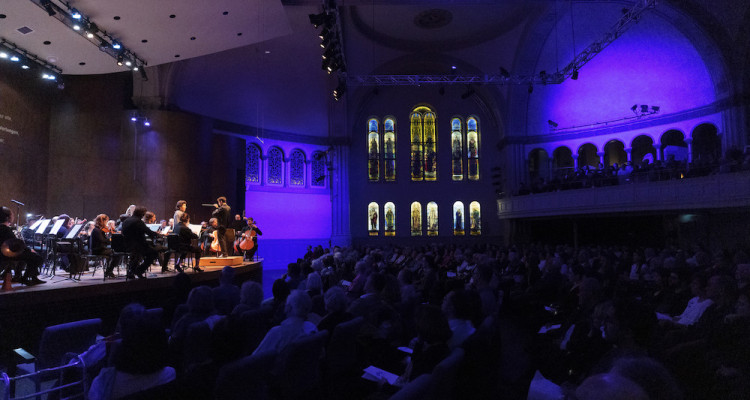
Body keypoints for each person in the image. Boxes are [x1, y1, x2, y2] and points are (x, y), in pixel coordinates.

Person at [0, 206, 44, 285]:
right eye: (12, 215)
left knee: (28, 256)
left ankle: (27, 277)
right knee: (37, 258)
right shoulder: (6, 229)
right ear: (7, 218)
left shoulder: (3, 228)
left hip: (4, 253)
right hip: (6, 254)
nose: (13, 217)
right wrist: (29, 249)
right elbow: (16, 245)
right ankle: (25, 278)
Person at [121, 206, 160, 279]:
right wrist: (158, 235)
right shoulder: (138, 221)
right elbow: (148, 232)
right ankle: (139, 270)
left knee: (136, 255)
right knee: (154, 253)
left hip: (126, 245)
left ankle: (131, 272)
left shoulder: (126, 221)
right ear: (142, 214)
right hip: (138, 246)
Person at [91, 214, 115, 278]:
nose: (107, 223)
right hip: (98, 250)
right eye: (106, 221)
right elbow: (102, 240)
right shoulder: (97, 230)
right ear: (103, 221)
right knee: (115, 254)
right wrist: (109, 239)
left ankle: (109, 270)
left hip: (100, 249)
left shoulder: (99, 229)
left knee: (112, 253)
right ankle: (109, 271)